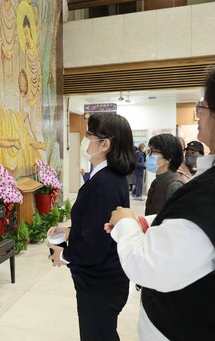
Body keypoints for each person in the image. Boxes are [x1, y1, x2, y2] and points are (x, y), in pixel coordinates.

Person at [105, 57, 215, 340]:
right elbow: (190, 232)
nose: (199, 116)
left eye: (204, 107)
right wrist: (145, 223)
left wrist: (126, 225)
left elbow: (151, 266)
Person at [47, 112, 136, 341]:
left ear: (105, 144)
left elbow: (94, 246)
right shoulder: (105, 177)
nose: (85, 138)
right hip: (103, 280)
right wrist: (69, 231)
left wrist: (63, 254)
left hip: (100, 283)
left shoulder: (104, 184)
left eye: (89, 134)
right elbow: (98, 225)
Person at [144, 133, 185, 215]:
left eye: (154, 152)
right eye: (149, 151)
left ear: (169, 157)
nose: (149, 156)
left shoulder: (175, 185)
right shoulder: (156, 181)